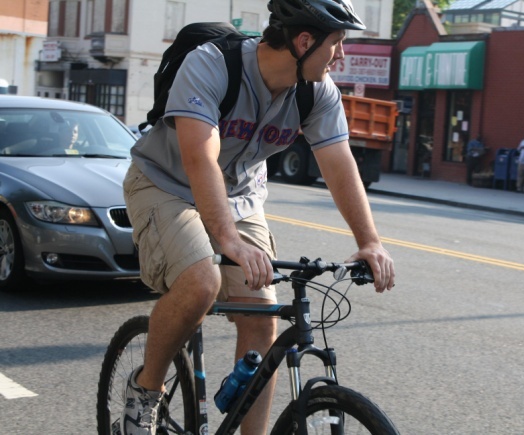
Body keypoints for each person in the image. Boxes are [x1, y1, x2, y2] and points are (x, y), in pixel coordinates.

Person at [121, 1, 396, 434]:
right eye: (337, 43)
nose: (341, 55)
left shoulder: (316, 91)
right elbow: (200, 157)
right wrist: (226, 239)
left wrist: (370, 240)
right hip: (165, 185)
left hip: (240, 199)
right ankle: (145, 392)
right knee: (201, 281)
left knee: (262, 317)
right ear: (304, 42)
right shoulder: (212, 66)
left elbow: (340, 165)